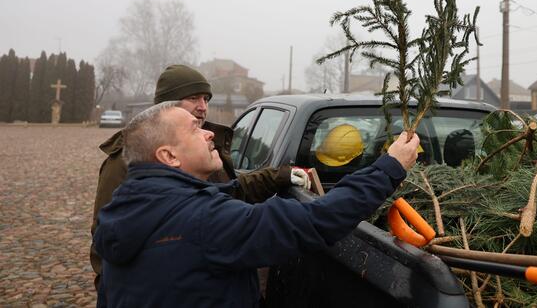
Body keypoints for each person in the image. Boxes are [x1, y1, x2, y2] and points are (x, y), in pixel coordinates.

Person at [93, 102, 420, 307]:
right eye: (195, 129)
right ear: (169, 156)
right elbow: (316, 220)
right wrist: (389, 167)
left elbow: (225, 195)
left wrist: (275, 177)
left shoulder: (126, 209)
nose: (209, 134)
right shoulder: (205, 221)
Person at [90, 64, 309, 289]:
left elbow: (230, 191)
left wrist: (279, 176)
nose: (203, 107)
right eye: (194, 98)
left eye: (206, 99)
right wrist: (112, 291)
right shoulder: (127, 156)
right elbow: (106, 237)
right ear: (168, 104)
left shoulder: (208, 144)